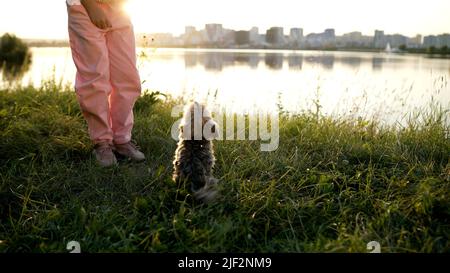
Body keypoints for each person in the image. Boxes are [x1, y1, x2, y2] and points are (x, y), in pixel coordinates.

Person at [66, 0, 145, 167]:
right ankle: (102, 142)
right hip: (85, 6)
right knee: (95, 78)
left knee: (127, 75)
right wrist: (90, 5)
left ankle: (122, 139)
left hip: (119, 8)